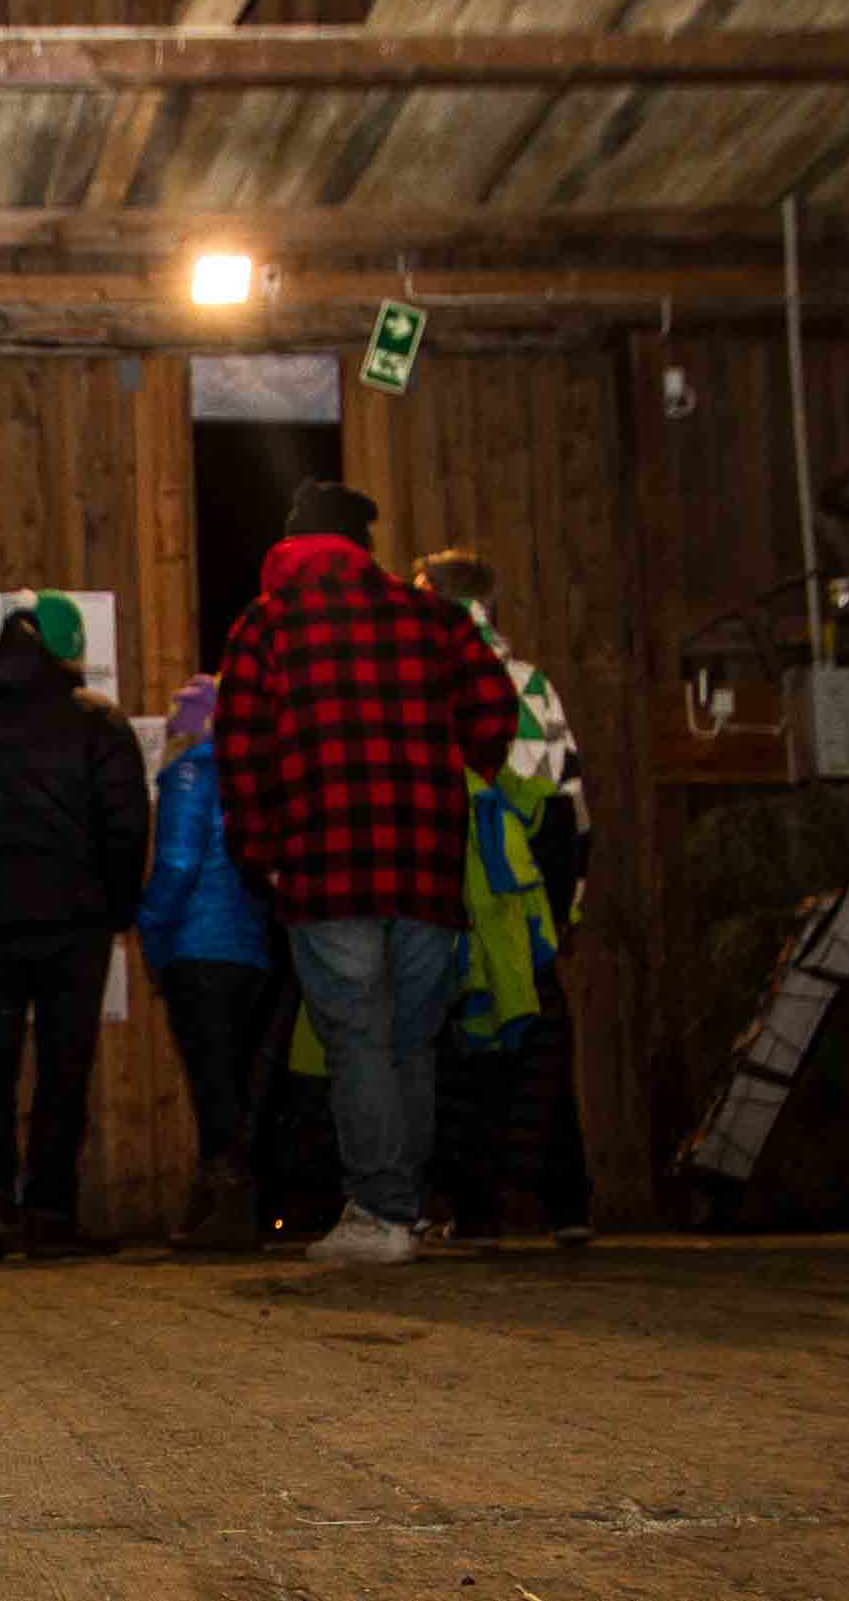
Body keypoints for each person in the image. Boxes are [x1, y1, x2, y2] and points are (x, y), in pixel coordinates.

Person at [216, 482, 517, 1267]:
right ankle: (405, 1209)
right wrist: (452, 770)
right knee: (413, 1039)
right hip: (426, 864)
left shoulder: (265, 623)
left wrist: (260, 850)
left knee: (356, 1035)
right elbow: (496, 709)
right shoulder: (432, 617)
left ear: (292, 546)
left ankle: (380, 1210)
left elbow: (240, 749)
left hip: (325, 863)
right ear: (363, 547)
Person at [0, 591, 149, 1262]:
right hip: (76, 924)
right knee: (63, 1068)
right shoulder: (99, 724)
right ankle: (50, 1213)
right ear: (67, 649)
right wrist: (117, 908)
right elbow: (126, 825)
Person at [412, 548, 596, 1247]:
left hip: (469, 870)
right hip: (537, 874)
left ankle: (476, 1206)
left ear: (437, 598)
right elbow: (570, 797)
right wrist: (567, 900)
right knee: (543, 1034)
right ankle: (566, 1202)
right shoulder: (534, 684)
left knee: (467, 1041)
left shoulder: (432, 681)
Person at [137, 674, 274, 1252]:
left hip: (198, 947)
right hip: (250, 950)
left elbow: (176, 865)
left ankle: (227, 1209)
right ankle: (222, 1205)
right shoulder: (255, 779)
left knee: (211, 1083)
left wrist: (151, 932)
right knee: (237, 1083)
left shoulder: (190, 774)